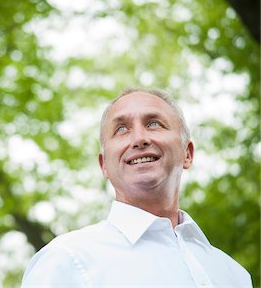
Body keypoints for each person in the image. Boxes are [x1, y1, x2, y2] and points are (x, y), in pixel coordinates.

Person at [21, 88, 252, 287]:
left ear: (187, 153)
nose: (139, 139)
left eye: (154, 124)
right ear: (104, 166)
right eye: (121, 129)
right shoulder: (66, 259)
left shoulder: (235, 274)